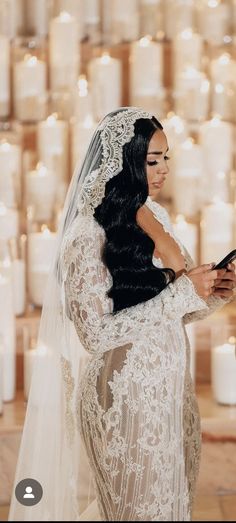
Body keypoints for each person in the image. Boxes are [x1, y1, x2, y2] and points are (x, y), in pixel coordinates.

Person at [9, 107, 235, 522]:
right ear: (124, 162)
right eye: (152, 161)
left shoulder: (156, 216)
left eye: (166, 158)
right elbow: (94, 334)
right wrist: (182, 293)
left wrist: (214, 292)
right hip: (124, 398)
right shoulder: (86, 235)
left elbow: (175, 310)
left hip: (170, 393)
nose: (163, 169)